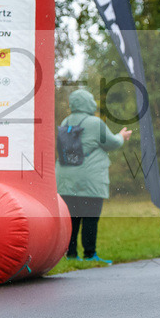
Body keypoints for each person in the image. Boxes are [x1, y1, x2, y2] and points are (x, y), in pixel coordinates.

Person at [56, 89, 131, 264]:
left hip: (65, 179)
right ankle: (90, 255)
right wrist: (122, 136)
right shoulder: (94, 123)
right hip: (89, 179)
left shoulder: (66, 121)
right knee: (90, 217)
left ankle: (71, 254)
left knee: (72, 218)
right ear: (87, 102)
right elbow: (112, 143)